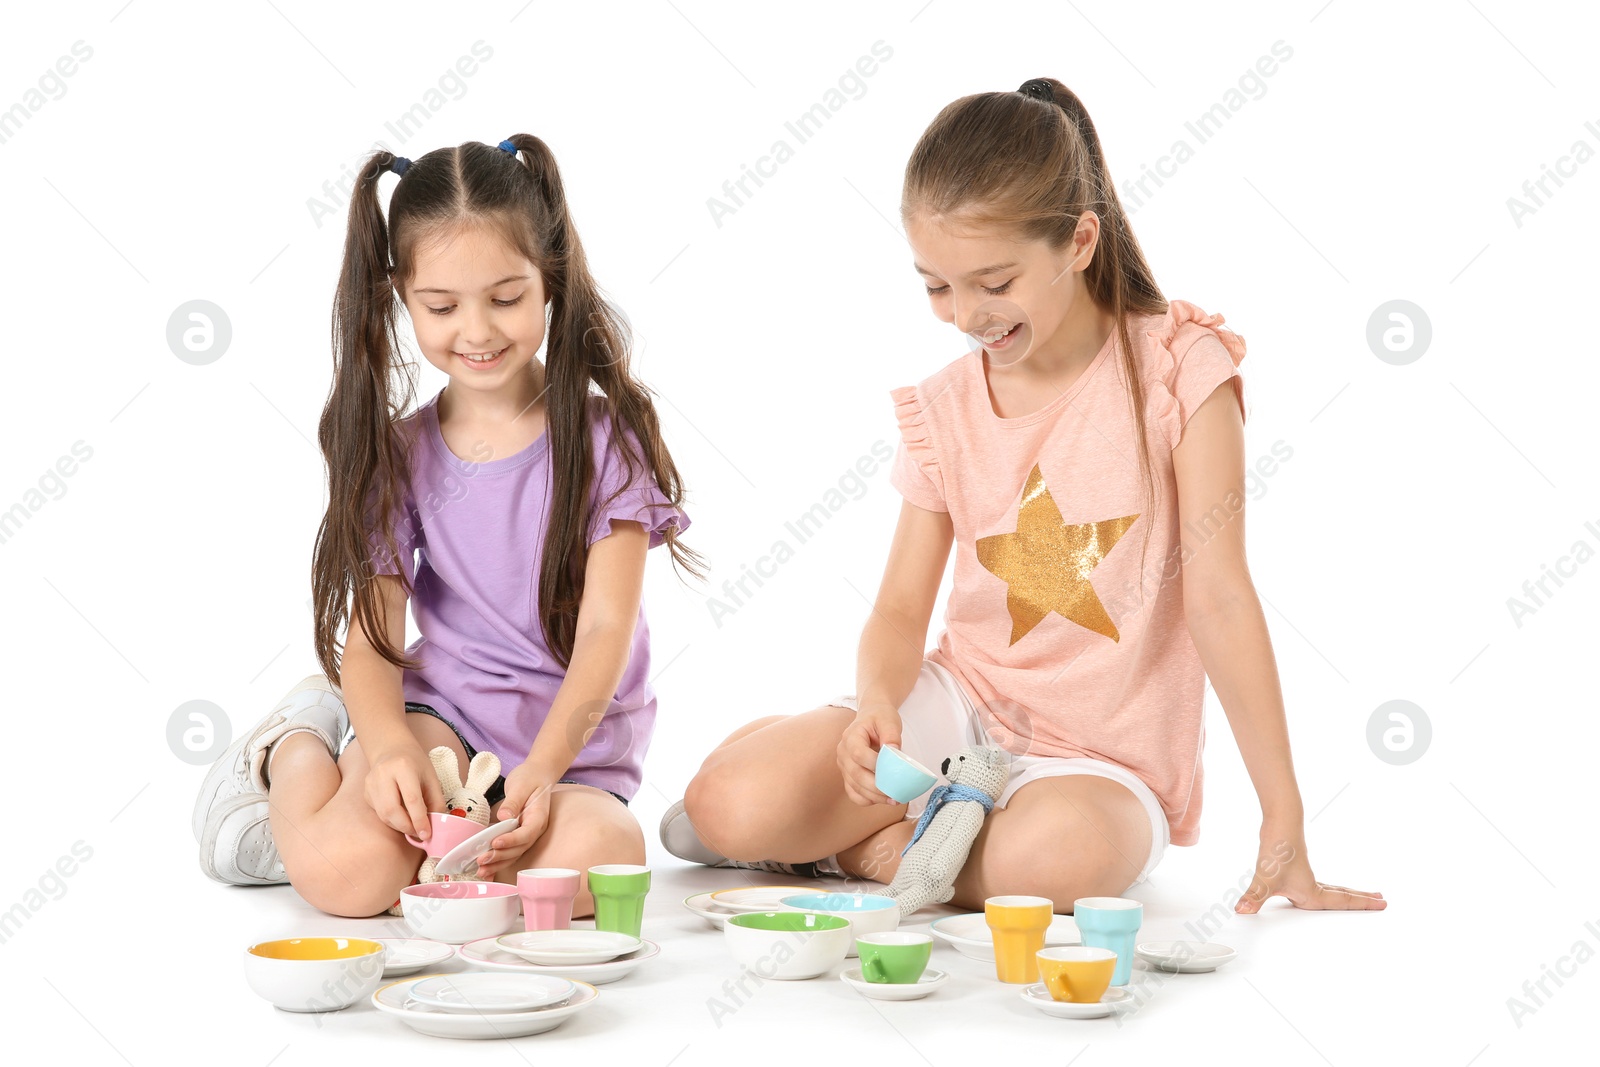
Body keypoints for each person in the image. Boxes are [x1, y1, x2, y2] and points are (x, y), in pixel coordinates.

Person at [665, 80, 1384, 916]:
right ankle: (892, 825)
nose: (966, 315)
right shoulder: (944, 406)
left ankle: (867, 847)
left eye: (993, 281)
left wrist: (1283, 819)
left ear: (1078, 242)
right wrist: (875, 708)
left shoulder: (1181, 370)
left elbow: (1221, 598)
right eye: (936, 286)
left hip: (1100, 761)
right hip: (964, 709)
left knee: (1056, 858)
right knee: (726, 804)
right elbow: (901, 609)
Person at [193, 136, 701, 917]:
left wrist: (540, 771)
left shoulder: (607, 438)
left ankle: (431, 867)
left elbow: (605, 628)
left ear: (549, 280)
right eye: (441, 306)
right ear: (402, 295)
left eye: (506, 298)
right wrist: (391, 743)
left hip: (573, 753)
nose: (477, 330)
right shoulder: (401, 453)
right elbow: (373, 633)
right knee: (347, 877)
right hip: (446, 718)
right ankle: (293, 746)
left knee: (603, 858)